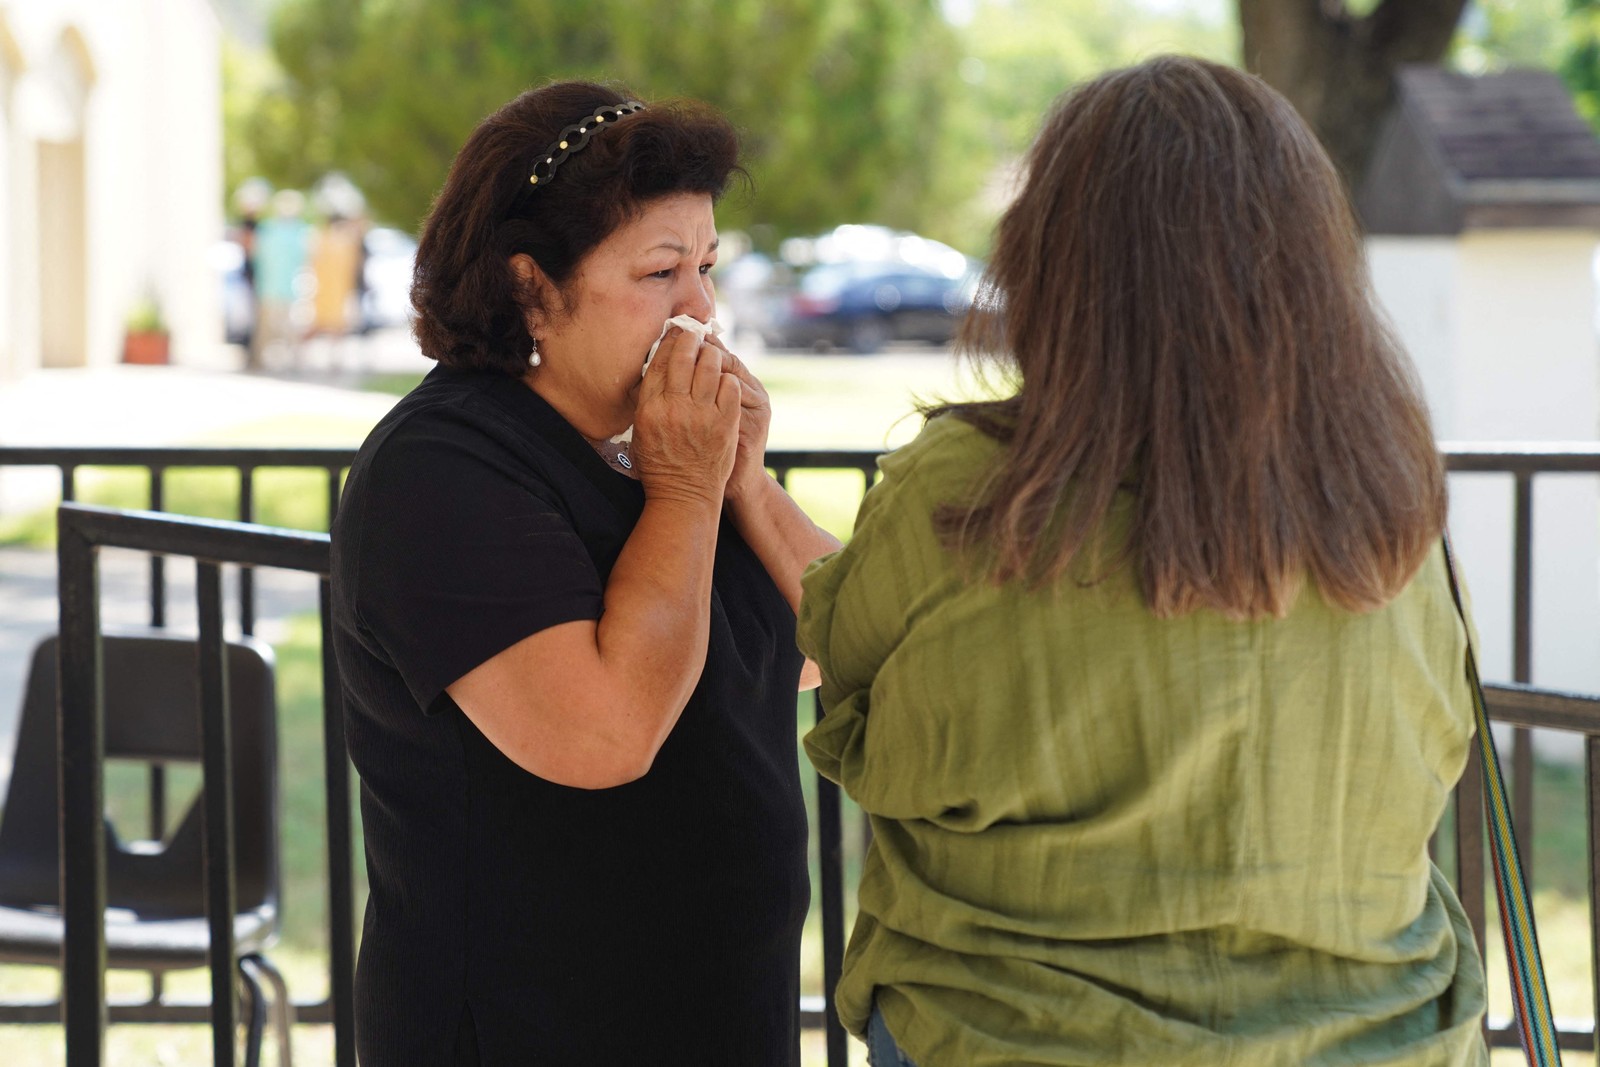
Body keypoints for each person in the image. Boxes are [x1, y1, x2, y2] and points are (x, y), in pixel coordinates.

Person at [799, 56, 1488, 1067]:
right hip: (1380, 1037)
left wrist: (718, 484)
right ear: (1305, 262)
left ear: (1052, 258)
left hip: (1003, 1034)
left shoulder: (967, 489)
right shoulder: (1385, 498)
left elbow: (843, 669)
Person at [329, 82, 839, 1064]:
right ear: (531, 289)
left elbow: (847, 647)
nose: (699, 308)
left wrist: (746, 484)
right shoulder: (442, 469)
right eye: (659, 271)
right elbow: (602, 734)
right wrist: (687, 493)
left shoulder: (659, 455)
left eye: (706, 266)